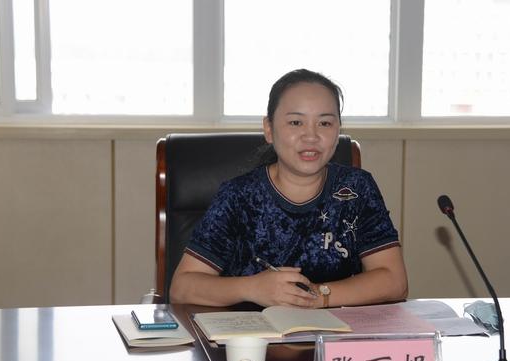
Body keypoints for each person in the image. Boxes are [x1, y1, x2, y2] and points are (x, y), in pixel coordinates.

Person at [170, 69, 407, 308]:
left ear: (338, 131)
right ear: (269, 129)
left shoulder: (356, 189)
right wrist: (252, 287)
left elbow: (394, 281)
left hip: (333, 328)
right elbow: (182, 288)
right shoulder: (239, 197)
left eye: (325, 123)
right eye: (296, 122)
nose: (311, 136)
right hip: (254, 330)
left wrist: (317, 296)